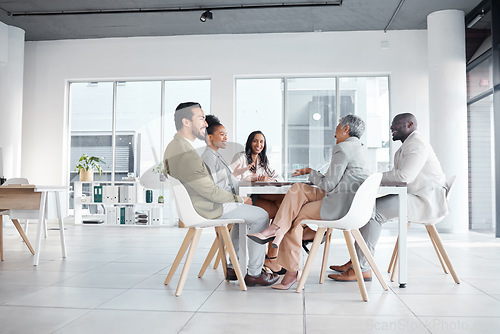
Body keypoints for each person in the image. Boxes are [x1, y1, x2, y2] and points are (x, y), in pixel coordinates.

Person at [247, 114, 370, 290]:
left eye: (337, 128)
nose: (334, 133)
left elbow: (328, 185)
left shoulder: (342, 148)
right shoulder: (361, 149)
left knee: (294, 217)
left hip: (339, 205)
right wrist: (309, 172)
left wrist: (311, 172)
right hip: (350, 202)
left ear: (346, 129)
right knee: (298, 188)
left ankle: (291, 269)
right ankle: (276, 230)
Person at [164, 103, 278, 286]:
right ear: (186, 122)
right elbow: (209, 190)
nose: (205, 123)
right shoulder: (187, 153)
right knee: (261, 215)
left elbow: (209, 185)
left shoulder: (178, 147)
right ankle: (255, 273)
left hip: (203, 204)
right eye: (201, 118)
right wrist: (239, 199)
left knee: (244, 217)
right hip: (208, 207)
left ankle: (235, 266)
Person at [328, 113, 449, 282]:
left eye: (396, 124)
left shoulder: (416, 144)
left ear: (410, 124)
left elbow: (404, 176)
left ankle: (362, 268)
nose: (391, 127)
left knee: (372, 213)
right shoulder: (408, 144)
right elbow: (400, 177)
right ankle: (357, 261)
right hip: (415, 196)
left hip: (425, 201)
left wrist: (371, 179)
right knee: (368, 207)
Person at [231, 130, 286, 274]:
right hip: (246, 200)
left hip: (259, 198)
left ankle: (271, 257)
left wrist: (269, 180)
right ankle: (271, 258)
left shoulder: (263, 161)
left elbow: (279, 178)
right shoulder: (241, 157)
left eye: (261, 142)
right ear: (250, 142)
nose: (258, 144)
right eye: (255, 141)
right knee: (284, 212)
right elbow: (231, 178)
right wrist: (252, 178)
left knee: (284, 204)